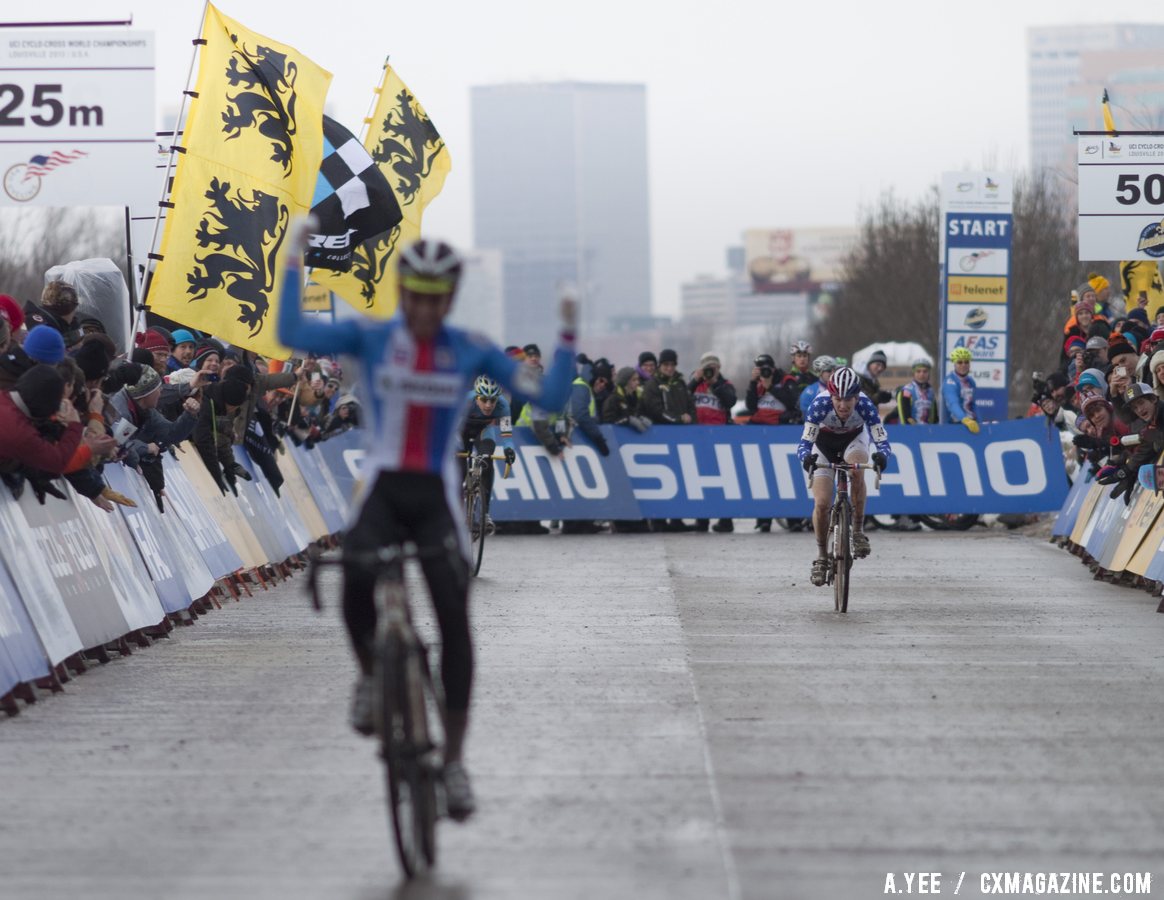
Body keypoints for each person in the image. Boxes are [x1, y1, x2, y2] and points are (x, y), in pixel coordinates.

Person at [278, 236, 577, 821]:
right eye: (416, 296)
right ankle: (369, 677)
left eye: (437, 298)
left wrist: (567, 332)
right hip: (385, 487)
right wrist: (293, 260)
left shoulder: (470, 349)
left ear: (451, 298)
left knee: (453, 620)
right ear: (402, 292)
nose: (424, 309)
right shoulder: (371, 337)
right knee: (356, 577)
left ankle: (456, 761)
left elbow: (550, 394)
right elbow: (293, 331)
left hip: (436, 492)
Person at [797, 366, 891, 586]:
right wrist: (806, 458)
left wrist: (882, 456)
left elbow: (881, 440)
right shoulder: (820, 404)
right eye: (838, 399)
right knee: (821, 503)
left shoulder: (866, 405)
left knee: (857, 470)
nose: (843, 405)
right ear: (831, 396)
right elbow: (804, 443)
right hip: (823, 445)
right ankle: (821, 556)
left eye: (849, 399)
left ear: (857, 397)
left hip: (853, 441)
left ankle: (857, 531)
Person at [460, 375, 517, 534]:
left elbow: (506, 434)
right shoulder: (465, 400)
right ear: (476, 396)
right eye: (484, 399)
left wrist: (509, 449)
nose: (488, 405)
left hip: (484, 432)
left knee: (486, 461)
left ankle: (485, 514)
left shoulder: (503, 405)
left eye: (493, 400)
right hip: (461, 430)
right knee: (458, 466)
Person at [688, 352, 736, 533]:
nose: (710, 370)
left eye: (713, 367)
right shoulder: (696, 384)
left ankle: (726, 520)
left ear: (718, 368)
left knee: (724, 481)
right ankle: (702, 521)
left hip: (720, 437)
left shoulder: (725, 384)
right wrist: (695, 380)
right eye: (707, 367)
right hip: (699, 437)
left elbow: (730, 401)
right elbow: (683, 397)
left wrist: (715, 383)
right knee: (701, 480)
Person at [942, 347, 979, 433]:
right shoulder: (949, 382)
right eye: (959, 362)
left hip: (971, 423)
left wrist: (980, 422)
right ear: (954, 364)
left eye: (966, 362)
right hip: (955, 425)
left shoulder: (971, 381)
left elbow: (973, 405)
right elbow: (953, 404)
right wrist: (964, 419)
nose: (963, 365)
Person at [896, 357, 937, 425]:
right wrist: (916, 430)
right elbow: (905, 417)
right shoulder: (906, 391)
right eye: (918, 371)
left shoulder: (931, 392)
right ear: (913, 373)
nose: (922, 374)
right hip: (909, 432)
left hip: (927, 432)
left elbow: (934, 417)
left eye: (925, 371)